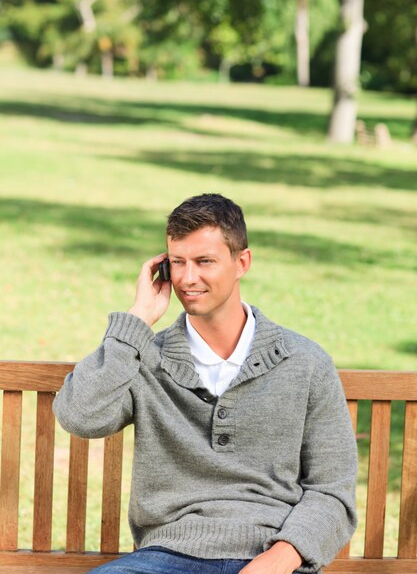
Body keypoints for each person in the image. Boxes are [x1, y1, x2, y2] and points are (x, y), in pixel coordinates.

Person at [53, 193, 358, 574]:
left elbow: (332, 490)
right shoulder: (146, 357)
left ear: (241, 262)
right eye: (177, 262)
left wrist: (281, 557)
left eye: (204, 262)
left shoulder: (305, 363)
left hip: (270, 556)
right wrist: (137, 320)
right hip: (164, 558)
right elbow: (79, 416)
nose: (186, 278)